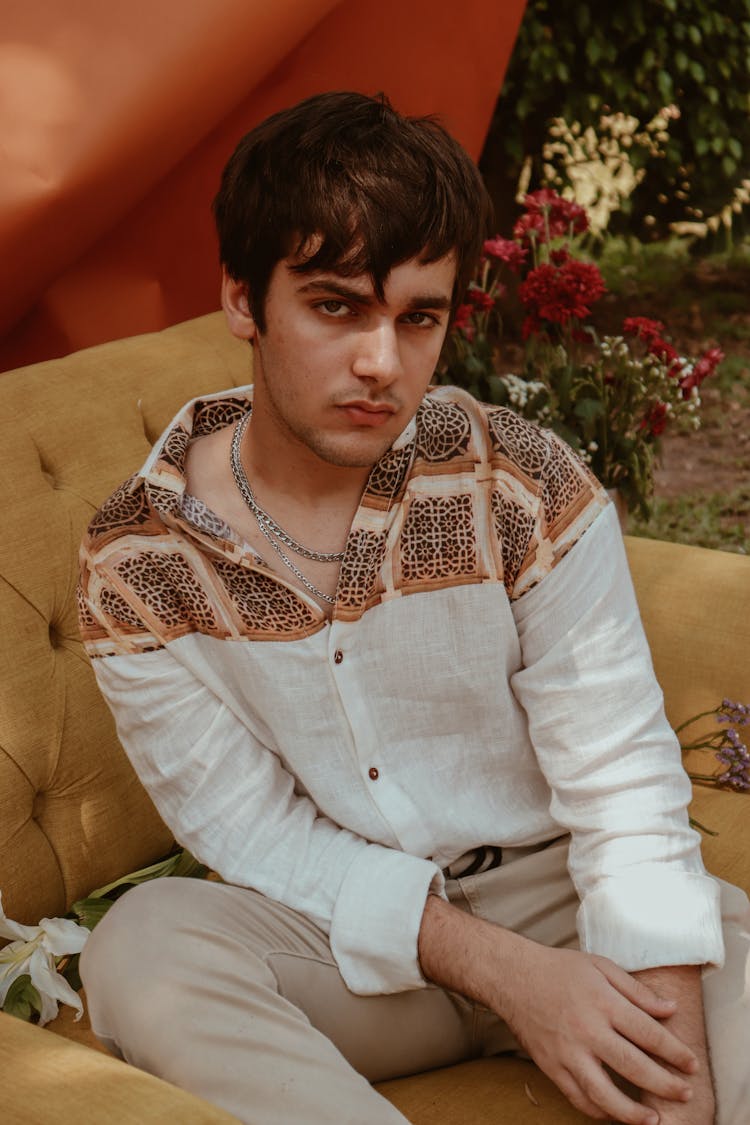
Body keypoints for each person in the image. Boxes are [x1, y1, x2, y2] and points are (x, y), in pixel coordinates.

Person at [77, 91, 748, 1125]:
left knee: (723, 951)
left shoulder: (518, 483)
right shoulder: (138, 568)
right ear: (244, 299)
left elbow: (620, 782)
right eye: (337, 305)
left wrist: (674, 1080)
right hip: (350, 946)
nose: (382, 365)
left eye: (419, 317)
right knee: (147, 947)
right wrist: (513, 980)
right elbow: (258, 835)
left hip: (564, 902)